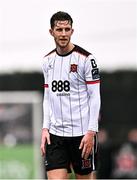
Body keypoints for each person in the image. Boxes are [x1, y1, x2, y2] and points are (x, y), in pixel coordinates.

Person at [40, 11, 101, 179]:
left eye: (67, 29)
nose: (64, 34)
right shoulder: (47, 61)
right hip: (55, 136)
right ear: (51, 32)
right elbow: (48, 96)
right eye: (59, 30)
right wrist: (45, 128)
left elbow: (95, 97)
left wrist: (91, 131)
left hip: (82, 136)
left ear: (72, 31)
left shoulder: (86, 59)